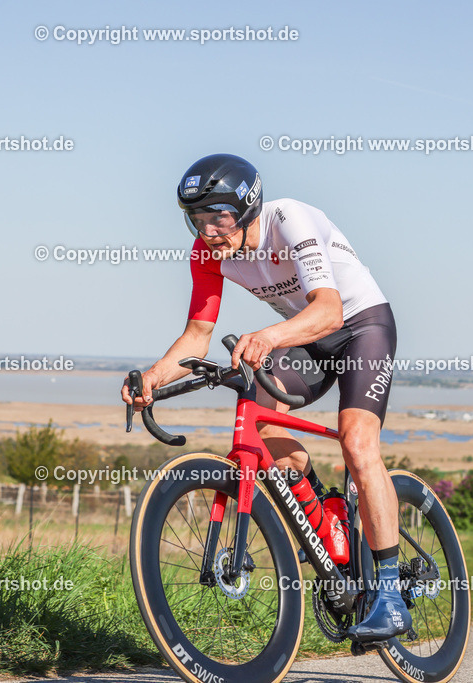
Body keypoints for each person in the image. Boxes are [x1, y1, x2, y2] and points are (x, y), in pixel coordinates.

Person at [121, 153, 410, 642]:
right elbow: (197, 335)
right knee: (263, 426)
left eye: (220, 216)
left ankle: (389, 594)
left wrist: (270, 337)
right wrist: (152, 378)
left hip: (359, 327)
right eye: (198, 219)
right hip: (303, 339)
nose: (210, 230)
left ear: (248, 207)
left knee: (357, 443)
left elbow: (330, 311)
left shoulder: (289, 219)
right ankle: (325, 516)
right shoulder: (206, 253)